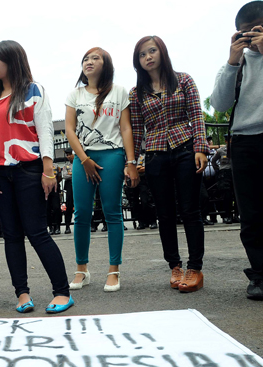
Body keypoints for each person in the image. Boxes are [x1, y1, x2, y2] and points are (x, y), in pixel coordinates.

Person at [0, 40, 72, 313]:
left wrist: (48, 170)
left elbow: (45, 133)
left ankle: (62, 292)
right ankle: (22, 294)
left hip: (28, 171)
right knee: (11, 236)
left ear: (13, 61)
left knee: (37, 232)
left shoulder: (33, 91)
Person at [130, 36, 209, 293]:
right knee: (164, 213)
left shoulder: (183, 80)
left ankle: (195, 267)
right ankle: (174, 265)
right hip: (155, 154)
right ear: (137, 61)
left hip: (185, 147)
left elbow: (196, 114)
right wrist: (134, 161)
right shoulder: (136, 93)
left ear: (162, 52)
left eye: (152, 51)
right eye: (142, 54)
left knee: (190, 209)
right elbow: (137, 130)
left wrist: (200, 147)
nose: (148, 57)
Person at [65, 47, 139, 293]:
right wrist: (83, 158)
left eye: (95, 58)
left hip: (113, 154)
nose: (89, 61)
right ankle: (81, 269)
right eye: (85, 58)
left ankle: (114, 270)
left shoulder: (119, 92)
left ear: (106, 64)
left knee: (113, 212)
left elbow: (126, 128)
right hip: (83, 156)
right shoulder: (75, 95)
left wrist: (130, 162)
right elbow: (69, 130)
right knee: (81, 213)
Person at [210, 1, 263, 299]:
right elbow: (218, 104)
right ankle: (259, 275)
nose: (251, 38)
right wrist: (232, 61)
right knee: (251, 215)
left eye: (257, 30)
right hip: (243, 142)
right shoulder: (236, 63)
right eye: (245, 33)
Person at [62, 148, 74, 235]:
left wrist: (72, 174)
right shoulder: (66, 166)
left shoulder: (80, 164)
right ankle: (67, 226)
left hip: (79, 185)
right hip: (70, 186)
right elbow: (65, 176)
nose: (68, 156)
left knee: (82, 206)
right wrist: (75, 174)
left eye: (70, 154)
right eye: (67, 155)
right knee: (69, 206)